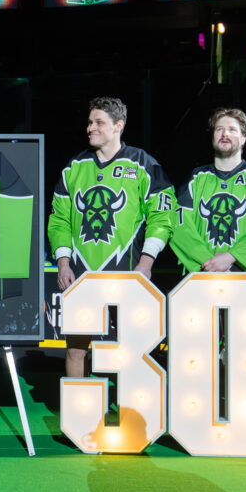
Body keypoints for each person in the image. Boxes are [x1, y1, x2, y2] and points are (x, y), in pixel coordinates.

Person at [48, 96, 176, 377]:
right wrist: (63, 262)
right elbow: (59, 220)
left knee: (133, 349)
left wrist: (146, 263)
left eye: (98, 123)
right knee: (75, 349)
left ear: (119, 125)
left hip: (128, 274)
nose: (90, 128)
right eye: (89, 122)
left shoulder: (144, 164)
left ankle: (131, 403)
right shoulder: (75, 166)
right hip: (82, 274)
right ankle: (79, 406)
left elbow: (162, 216)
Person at [171, 108, 246, 275]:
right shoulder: (195, 180)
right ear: (213, 136)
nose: (225, 134)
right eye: (219, 129)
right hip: (201, 275)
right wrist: (209, 263)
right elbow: (180, 226)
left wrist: (231, 257)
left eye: (232, 130)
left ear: (243, 138)